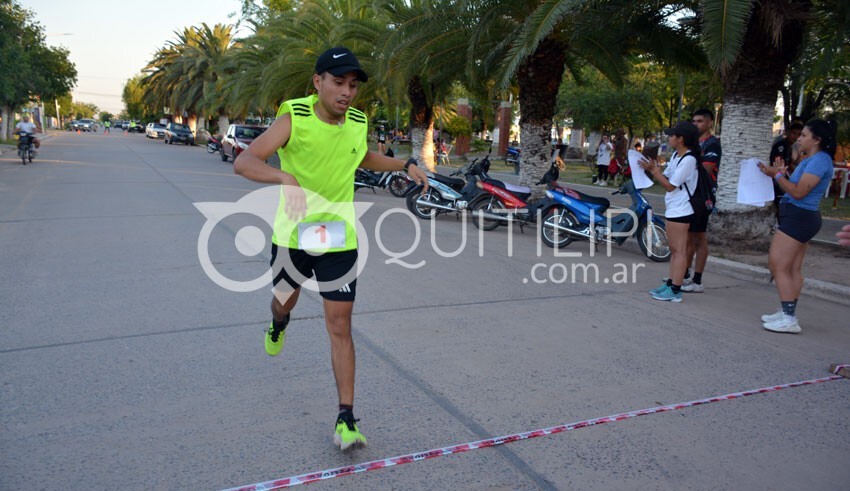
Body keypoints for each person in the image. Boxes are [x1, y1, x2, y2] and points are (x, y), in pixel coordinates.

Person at [233, 46, 429, 450]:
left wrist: (403, 164)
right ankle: (278, 324)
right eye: (338, 82)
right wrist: (286, 179)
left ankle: (346, 418)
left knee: (340, 325)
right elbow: (246, 161)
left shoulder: (357, 121)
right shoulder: (296, 117)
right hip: (293, 237)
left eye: (353, 85)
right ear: (317, 81)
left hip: (338, 236)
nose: (347, 92)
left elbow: (362, 158)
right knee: (283, 302)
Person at [758, 119, 837, 333]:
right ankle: (786, 312)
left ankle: (789, 318)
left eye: (804, 135)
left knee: (778, 265)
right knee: (791, 268)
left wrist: (778, 175)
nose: (799, 139)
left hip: (800, 217)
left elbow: (799, 192)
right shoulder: (811, 159)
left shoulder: (820, 161)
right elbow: (797, 185)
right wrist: (780, 174)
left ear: (817, 140)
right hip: (798, 215)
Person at [641, 121, 701, 303]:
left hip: (682, 209)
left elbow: (669, 185)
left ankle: (676, 289)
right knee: (675, 251)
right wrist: (655, 170)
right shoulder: (677, 156)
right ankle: (671, 283)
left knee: (679, 251)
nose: (669, 138)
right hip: (674, 207)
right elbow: (667, 176)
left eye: (672, 135)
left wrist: (654, 171)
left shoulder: (689, 159)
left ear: (681, 139)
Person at [682, 108, 721, 294]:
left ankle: (697, 280)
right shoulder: (693, 143)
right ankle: (683, 275)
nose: (695, 124)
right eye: (694, 121)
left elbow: (706, 168)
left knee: (699, 238)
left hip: (703, 195)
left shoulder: (712, 144)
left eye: (699, 121)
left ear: (709, 123)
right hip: (691, 195)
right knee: (689, 237)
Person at [769, 122, 803, 220]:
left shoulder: (792, 147)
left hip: (784, 174)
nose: (796, 136)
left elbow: (791, 163)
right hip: (776, 175)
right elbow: (778, 164)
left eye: (799, 134)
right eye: (794, 133)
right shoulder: (781, 146)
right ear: (788, 133)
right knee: (781, 196)